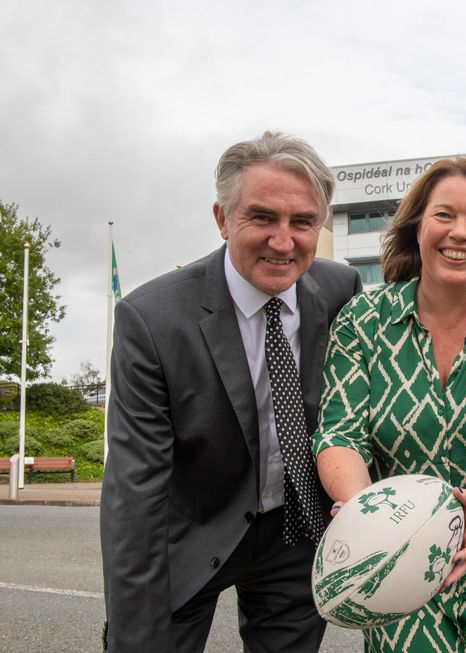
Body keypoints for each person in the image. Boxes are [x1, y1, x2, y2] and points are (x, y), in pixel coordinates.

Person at [100, 131, 362, 652]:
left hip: (294, 528)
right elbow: (136, 491)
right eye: (262, 217)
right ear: (222, 219)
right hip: (191, 528)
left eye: (303, 222)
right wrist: (135, 631)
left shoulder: (341, 290)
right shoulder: (151, 319)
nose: (283, 241)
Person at [313, 157, 466, 652]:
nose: (459, 233)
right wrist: (364, 512)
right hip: (396, 568)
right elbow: (340, 433)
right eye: (444, 215)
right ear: (418, 228)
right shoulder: (363, 319)